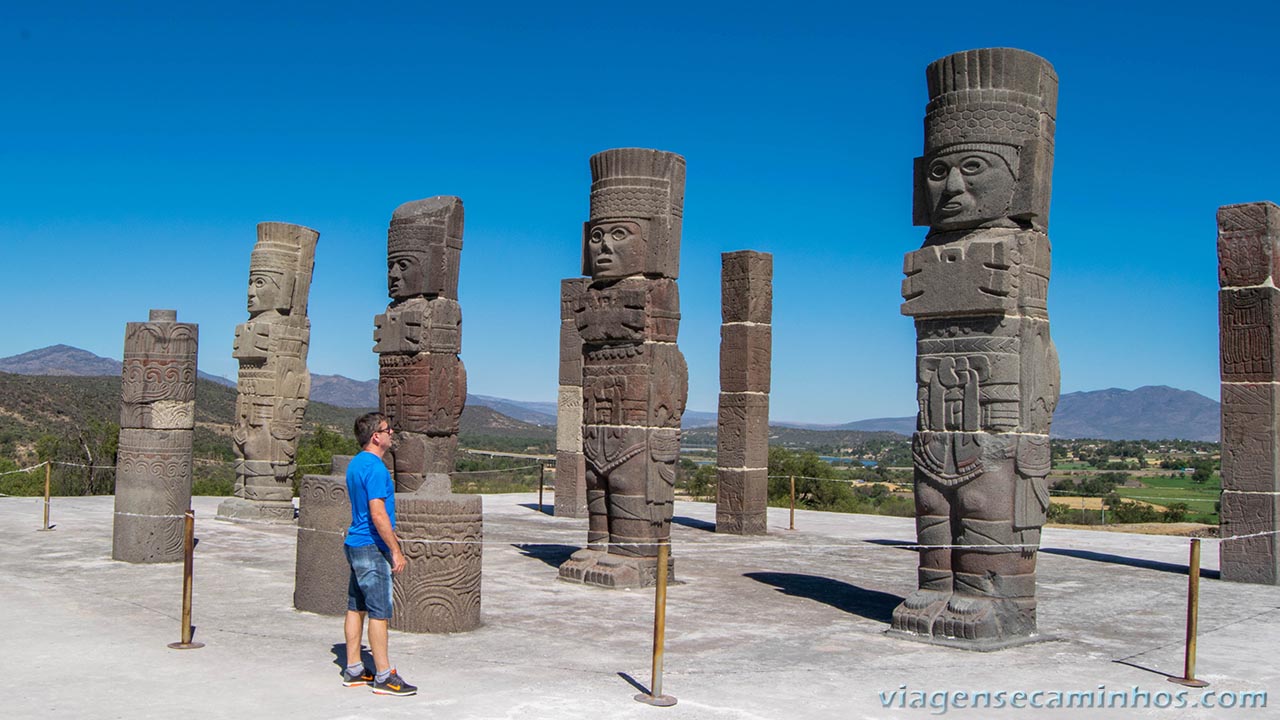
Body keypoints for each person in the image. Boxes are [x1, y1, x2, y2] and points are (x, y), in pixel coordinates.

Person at [341, 412, 417, 696]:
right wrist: (395, 549)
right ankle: (384, 675)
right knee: (379, 612)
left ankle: (354, 668)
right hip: (372, 545)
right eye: (387, 430)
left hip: (355, 542)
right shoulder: (375, 468)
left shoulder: (355, 464)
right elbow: (377, 513)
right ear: (376, 436)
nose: (391, 433)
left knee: (355, 607)